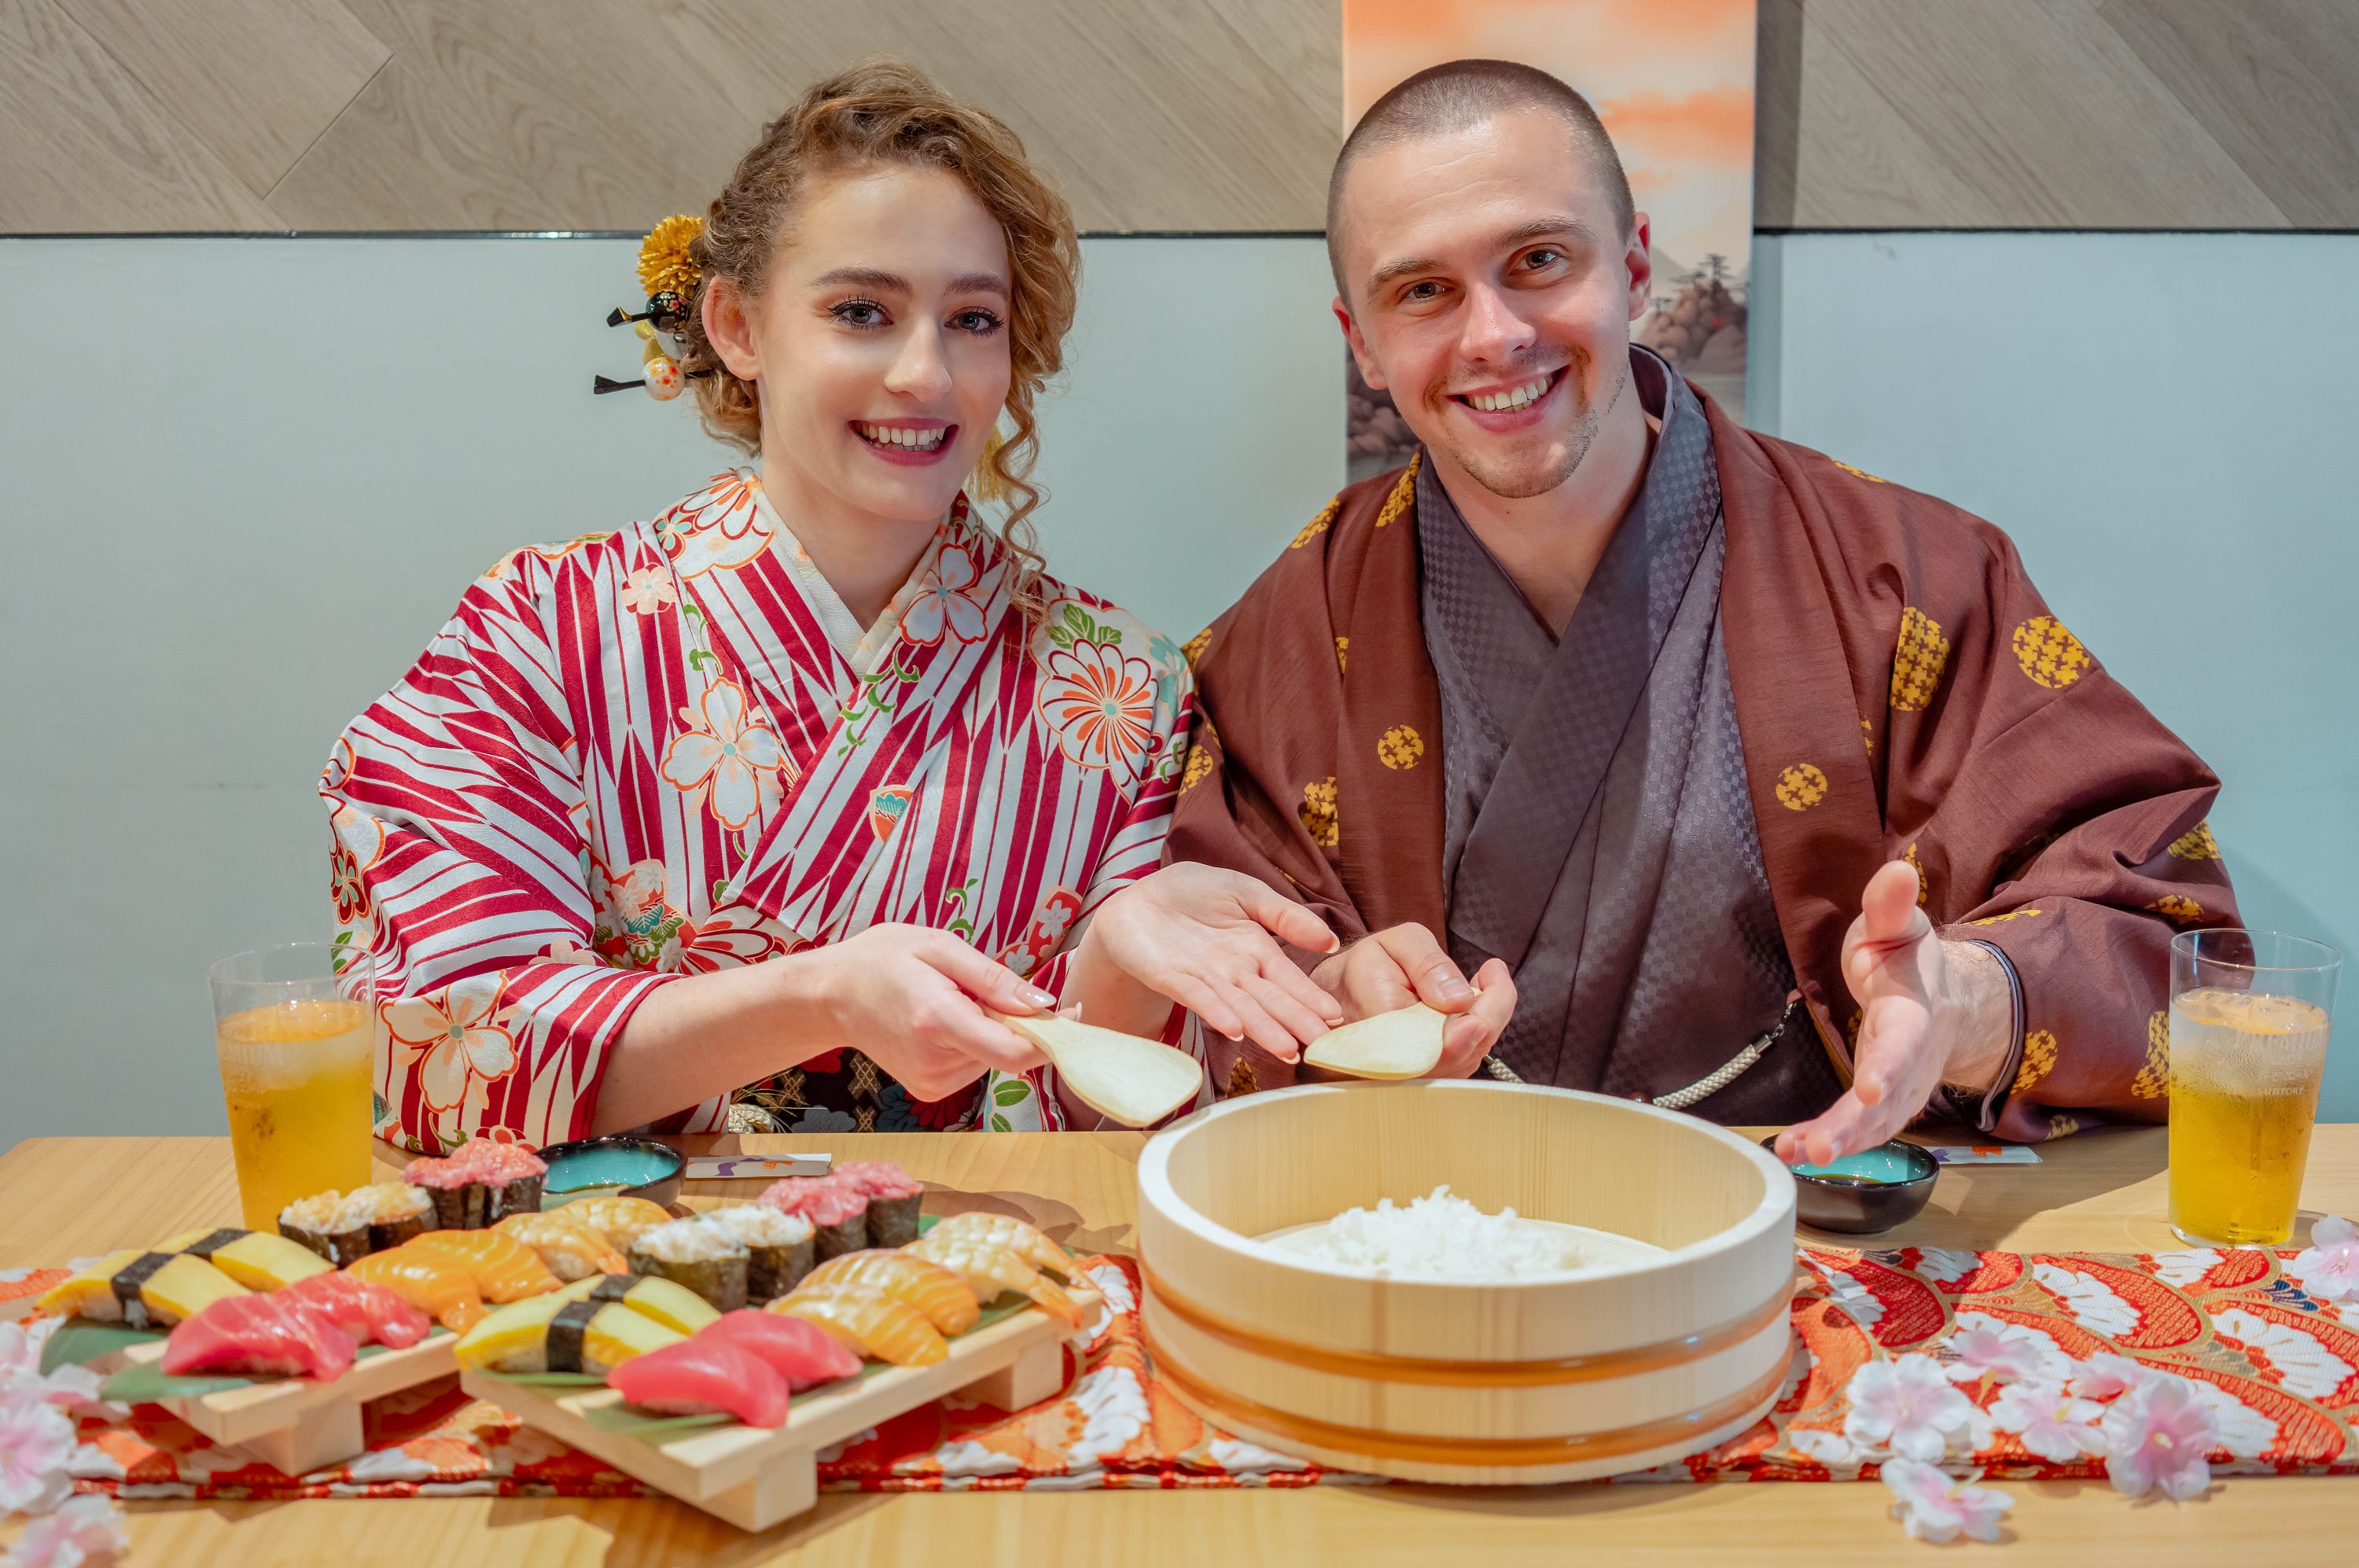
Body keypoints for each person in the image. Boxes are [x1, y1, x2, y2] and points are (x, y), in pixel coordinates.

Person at [1171, 60, 2236, 1160]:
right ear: (1361, 339)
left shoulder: (1903, 577)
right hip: (1431, 1231)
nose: (1492, 336)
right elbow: (1179, 977)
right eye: (1423, 291)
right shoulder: (1292, 633)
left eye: (1538, 261)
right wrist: (1319, 996)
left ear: (1633, 268)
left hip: (1808, 1230)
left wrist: (1961, 1005)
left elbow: (2170, 939)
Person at [325, 61, 1341, 1152]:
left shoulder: (1122, 690)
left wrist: (1115, 966)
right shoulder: (539, 630)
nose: (926, 373)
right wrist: (819, 997)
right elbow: (439, 1034)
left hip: (980, 1267)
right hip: (620, 1283)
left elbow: (1125, 1116)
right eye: (862, 310)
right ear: (737, 326)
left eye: (973, 319)